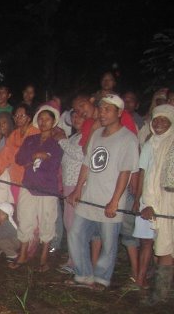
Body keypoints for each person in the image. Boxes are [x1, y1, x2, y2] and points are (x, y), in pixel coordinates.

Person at [66, 94, 138, 290]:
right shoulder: (96, 134)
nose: (103, 113)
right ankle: (83, 274)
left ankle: (102, 279)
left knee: (108, 243)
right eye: (101, 109)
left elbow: (125, 172)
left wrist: (115, 200)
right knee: (76, 234)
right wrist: (78, 189)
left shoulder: (128, 139)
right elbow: (86, 164)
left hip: (110, 198)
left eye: (108, 109)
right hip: (90, 196)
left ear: (119, 112)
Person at [10, 106, 63, 272]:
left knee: (47, 221)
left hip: (47, 188)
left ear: (53, 122)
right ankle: (23, 254)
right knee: (25, 219)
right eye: (40, 119)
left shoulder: (57, 143)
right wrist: (35, 156)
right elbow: (19, 158)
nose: (43, 122)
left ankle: (44, 257)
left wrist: (40, 158)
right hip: (29, 185)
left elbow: (54, 164)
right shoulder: (31, 140)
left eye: (47, 119)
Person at [139, 104, 174, 303]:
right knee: (164, 245)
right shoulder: (152, 143)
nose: (159, 123)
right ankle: (161, 295)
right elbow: (150, 177)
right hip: (163, 201)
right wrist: (149, 203)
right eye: (156, 119)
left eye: (164, 119)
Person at [0, 104, 39, 203]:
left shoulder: (36, 133)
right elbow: (3, 157)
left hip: (32, 181)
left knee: (32, 216)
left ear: (29, 118)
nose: (18, 118)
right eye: (16, 116)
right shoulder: (14, 135)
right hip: (15, 180)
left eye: (22, 116)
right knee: (18, 213)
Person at [55, 110, 85, 274]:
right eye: (74, 117)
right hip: (68, 183)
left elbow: (80, 155)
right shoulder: (74, 137)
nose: (76, 119)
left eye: (80, 116)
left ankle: (78, 263)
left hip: (77, 185)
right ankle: (72, 260)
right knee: (69, 224)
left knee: (75, 225)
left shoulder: (85, 137)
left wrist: (62, 141)